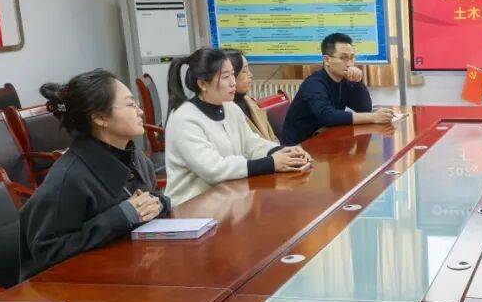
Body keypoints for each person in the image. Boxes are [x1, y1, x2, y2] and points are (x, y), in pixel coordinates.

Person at [19, 70, 170, 279]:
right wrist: (120, 217)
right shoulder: (69, 178)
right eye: (130, 105)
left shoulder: (135, 156)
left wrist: (158, 203)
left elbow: (148, 201)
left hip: (125, 269)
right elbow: (47, 252)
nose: (141, 111)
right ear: (100, 118)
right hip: (73, 285)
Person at [164, 48, 311, 206]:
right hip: (192, 207)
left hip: (229, 199)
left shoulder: (230, 108)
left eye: (233, 74)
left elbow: (251, 143)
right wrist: (272, 163)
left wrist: (283, 151)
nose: (233, 82)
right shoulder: (183, 118)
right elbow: (214, 169)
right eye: (225, 77)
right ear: (202, 84)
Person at [280, 32, 394, 146]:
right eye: (343, 58)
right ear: (327, 60)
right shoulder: (314, 84)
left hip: (324, 140)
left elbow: (365, 108)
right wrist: (374, 117)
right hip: (299, 146)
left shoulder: (344, 79)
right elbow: (328, 116)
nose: (350, 64)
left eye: (352, 57)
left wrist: (358, 82)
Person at [222, 48, 279, 143]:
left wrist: (284, 150)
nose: (251, 75)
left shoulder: (251, 103)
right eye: (244, 71)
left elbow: (272, 138)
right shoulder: (223, 112)